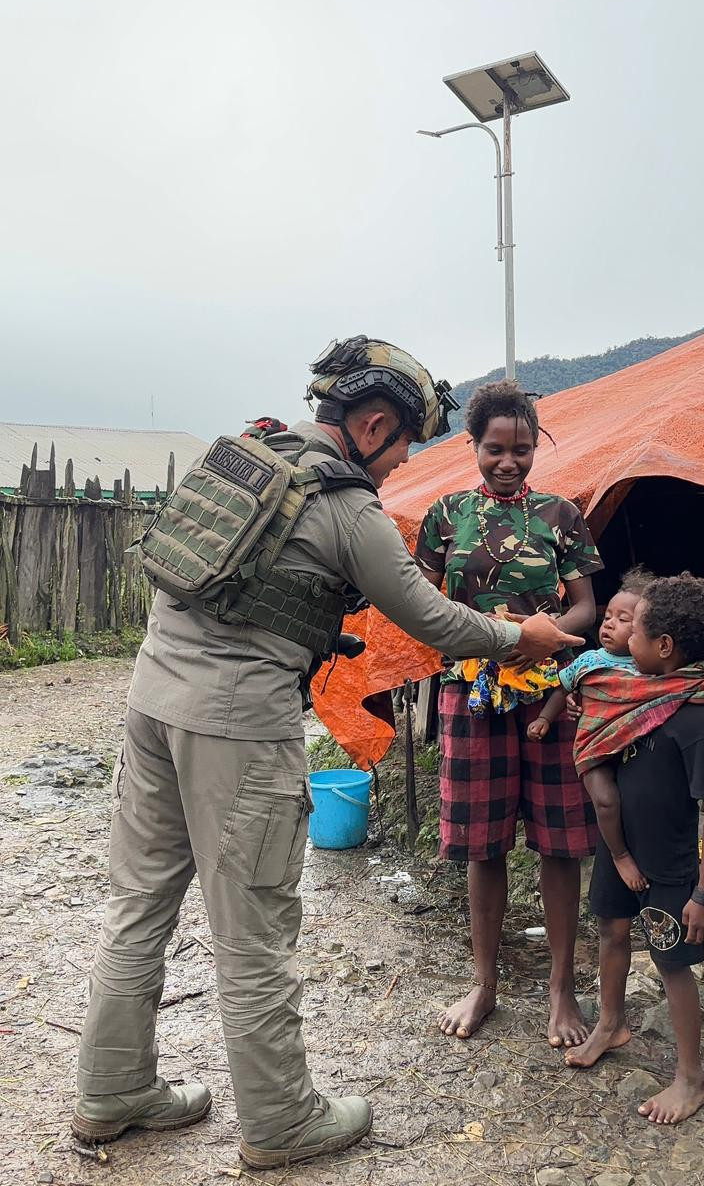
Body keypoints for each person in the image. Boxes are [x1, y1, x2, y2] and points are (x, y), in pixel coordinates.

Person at [71, 338, 581, 1168]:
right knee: (254, 931)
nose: (402, 463)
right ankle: (280, 1121)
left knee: (139, 905)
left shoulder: (248, 453)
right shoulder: (344, 503)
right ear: (373, 425)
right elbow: (432, 618)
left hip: (151, 700)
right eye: (403, 445)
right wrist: (519, 636)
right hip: (238, 726)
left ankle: (112, 1089)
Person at [415, 381, 602, 1047]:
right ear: (473, 445)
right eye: (495, 448)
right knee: (481, 841)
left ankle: (561, 988)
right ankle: (485, 984)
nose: (508, 461)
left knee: (560, 841)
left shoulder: (560, 514)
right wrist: (486, 636)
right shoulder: (445, 514)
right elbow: (422, 602)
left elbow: (587, 606)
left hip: (550, 693)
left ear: (534, 448)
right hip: (471, 692)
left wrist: (544, 635)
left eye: (521, 449)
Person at [564, 573, 704, 1126]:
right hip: (619, 848)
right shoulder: (629, 694)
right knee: (610, 930)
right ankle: (611, 1023)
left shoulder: (700, 716)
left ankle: (691, 1078)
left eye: (637, 632)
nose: (626, 639)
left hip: (671, 866)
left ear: (665, 646)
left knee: (672, 963)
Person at [527, 570, 652, 893]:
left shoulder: (649, 668)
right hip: (594, 749)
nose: (608, 624)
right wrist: (545, 718)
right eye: (607, 616)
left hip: (635, 754)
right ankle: (619, 854)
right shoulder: (589, 660)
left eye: (622, 620)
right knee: (606, 801)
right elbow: (563, 688)